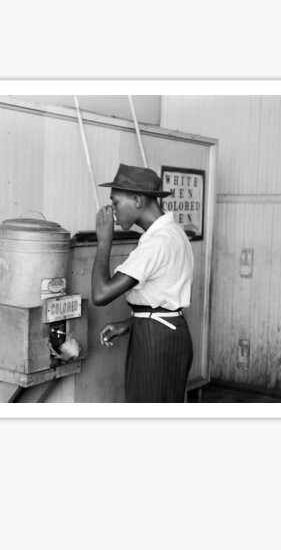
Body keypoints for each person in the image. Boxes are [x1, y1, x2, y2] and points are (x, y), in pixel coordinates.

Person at [91, 163, 194, 402]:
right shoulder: (173, 233)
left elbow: (101, 294)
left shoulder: (157, 242)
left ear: (137, 200)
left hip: (156, 340)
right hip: (166, 331)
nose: (113, 211)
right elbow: (163, 296)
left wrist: (104, 241)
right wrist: (130, 323)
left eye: (115, 202)